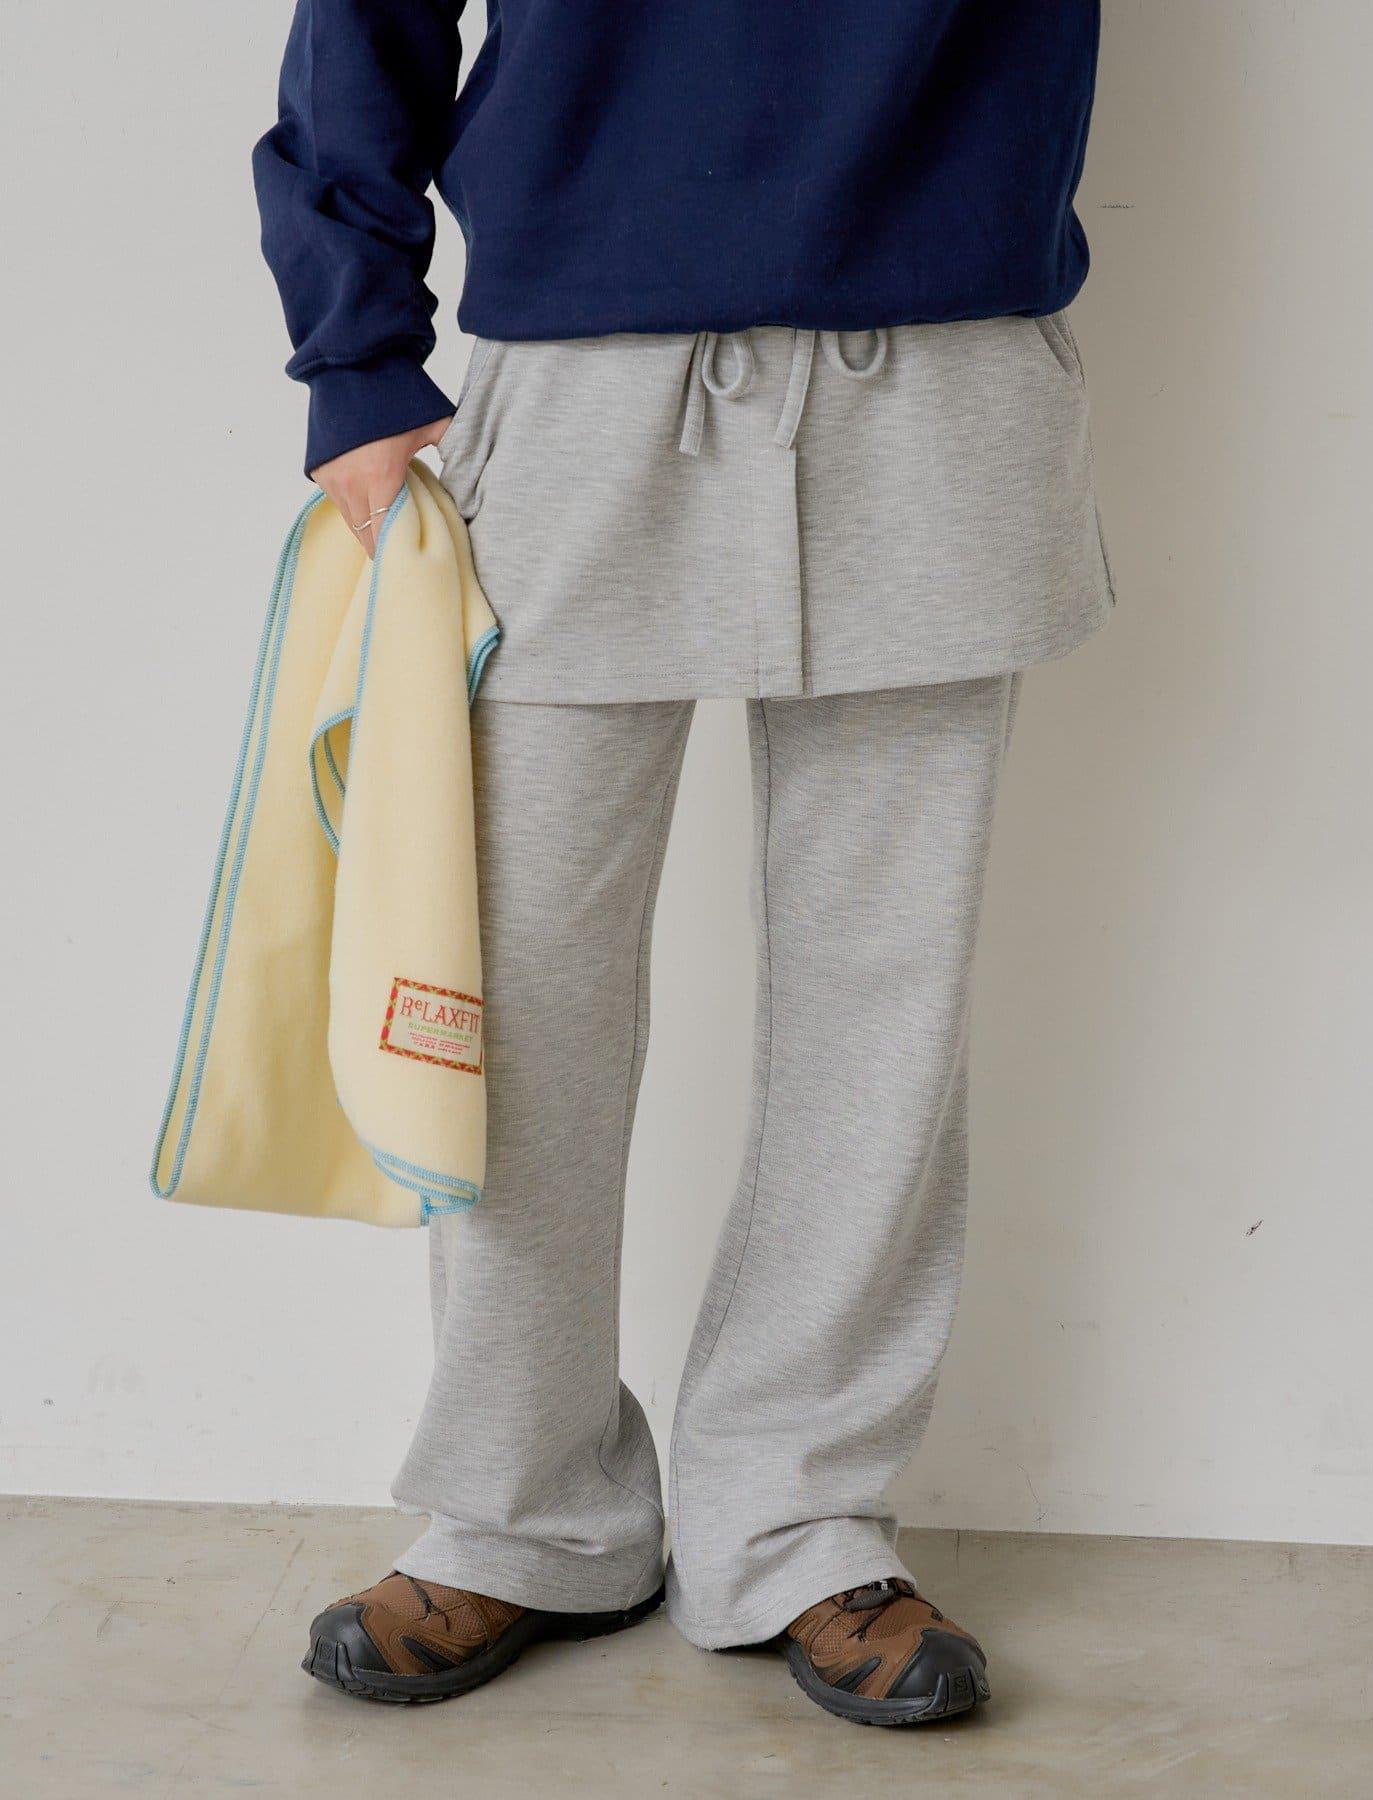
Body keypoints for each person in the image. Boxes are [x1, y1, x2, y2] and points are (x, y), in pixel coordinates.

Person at [255, 0, 1112, 1727]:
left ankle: (799, 1516)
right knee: (521, 997)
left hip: (941, 356)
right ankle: (524, 1510)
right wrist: (355, 347)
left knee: (884, 1003)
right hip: (582, 372)